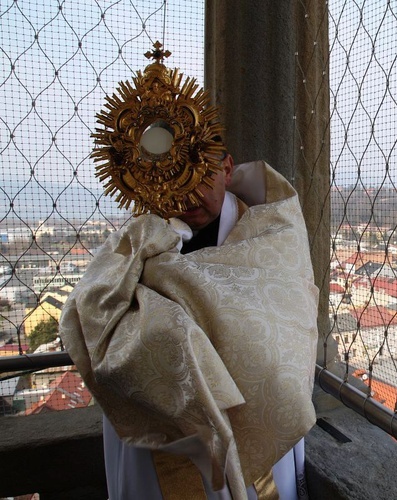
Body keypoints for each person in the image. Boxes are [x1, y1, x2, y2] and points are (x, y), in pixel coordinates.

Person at [60, 150, 319, 500]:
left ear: (226, 168)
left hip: (256, 410)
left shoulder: (272, 234)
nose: (186, 192)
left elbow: (289, 326)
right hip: (162, 428)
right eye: (170, 177)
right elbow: (95, 316)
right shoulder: (140, 241)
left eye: (198, 173)